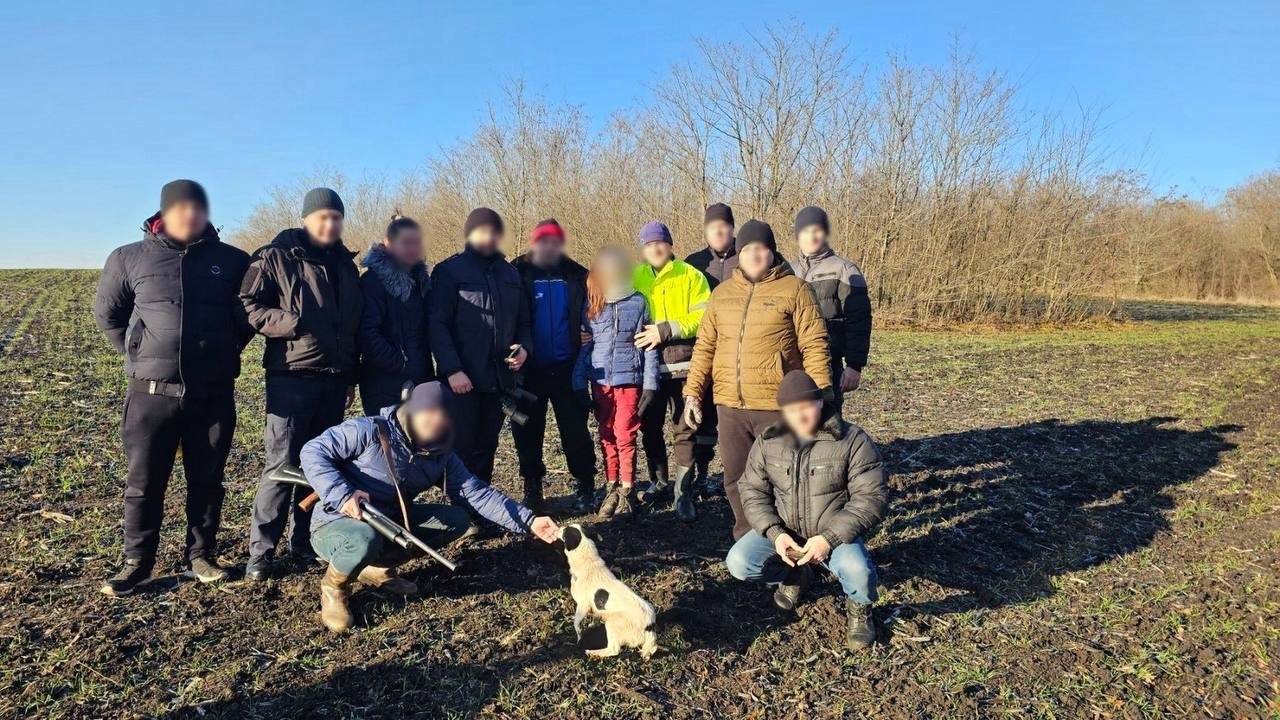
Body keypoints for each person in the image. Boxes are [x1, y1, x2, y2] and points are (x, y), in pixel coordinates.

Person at [93, 180, 251, 596]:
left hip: (212, 394)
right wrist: (139, 351)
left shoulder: (232, 260)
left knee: (208, 479)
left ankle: (201, 555)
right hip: (150, 395)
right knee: (144, 482)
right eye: (182, 209)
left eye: (198, 208)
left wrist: (225, 351)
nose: (191, 216)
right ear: (164, 213)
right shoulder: (129, 258)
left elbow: (245, 318)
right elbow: (108, 316)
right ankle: (136, 562)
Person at [300, 381, 560, 633]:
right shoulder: (366, 431)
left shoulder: (440, 454)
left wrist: (529, 521)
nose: (433, 426)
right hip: (334, 523)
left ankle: (371, 566)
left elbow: (477, 494)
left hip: (389, 522)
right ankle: (334, 587)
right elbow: (313, 451)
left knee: (455, 520)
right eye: (428, 416)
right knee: (362, 539)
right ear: (412, 410)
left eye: (441, 420)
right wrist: (341, 494)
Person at [240, 187, 362, 581]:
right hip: (291, 378)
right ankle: (262, 552)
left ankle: (304, 542)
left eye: (336, 217)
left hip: (334, 380)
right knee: (281, 466)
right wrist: (290, 324)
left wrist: (350, 378)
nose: (329, 223)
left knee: (320, 466)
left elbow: (352, 327)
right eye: (322, 216)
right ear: (307, 218)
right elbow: (247, 305)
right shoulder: (274, 256)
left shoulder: (346, 264)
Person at [682, 219, 832, 540]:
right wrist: (693, 392)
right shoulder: (722, 294)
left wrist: (821, 396)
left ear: (772, 251)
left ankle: (790, 542)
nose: (754, 255)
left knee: (782, 479)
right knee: (736, 478)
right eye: (747, 249)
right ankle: (749, 539)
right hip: (729, 405)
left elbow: (814, 344)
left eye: (761, 249)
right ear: (739, 254)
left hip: (777, 405)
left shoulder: (795, 290)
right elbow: (705, 346)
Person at [727, 370, 887, 650]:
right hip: (787, 532)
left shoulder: (852, 441)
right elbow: (751, 491)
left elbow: (871, 498)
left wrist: (828, 539)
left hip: (835, 535)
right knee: (740, 562)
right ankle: (796, 574)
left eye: (806, 408)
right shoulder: (768, 442)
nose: (799, 417)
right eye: (791, 410)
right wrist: (776, 534)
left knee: (858, 571)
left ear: (821, 404)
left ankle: (859, 607)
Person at [429, 207, 531, 488]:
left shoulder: (510, 274)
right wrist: (452, 369)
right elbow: (437, 325)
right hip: (462, 381)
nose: (488, 238)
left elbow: (524, 322)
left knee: (487, 446)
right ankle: (462, 510)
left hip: (499, 380)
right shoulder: (449, 271)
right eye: (481, 231)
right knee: (461, 449)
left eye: (493, 232)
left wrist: (524, 350)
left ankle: (483, 505)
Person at [510, 219, 596, 513]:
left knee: (575, 432)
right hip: (527, 370)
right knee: (527, 432)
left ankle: (585, 484)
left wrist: (587, 332)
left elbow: (596, 310)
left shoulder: (577, 274)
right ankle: (532, 487)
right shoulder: (516, 272)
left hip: (567, 369)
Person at [632, 221, 712, 521]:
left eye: (660, 242)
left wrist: (666, 330)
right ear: (643, 248)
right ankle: (659, 482)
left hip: (683, 366)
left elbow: (704, 316)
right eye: (649, 243)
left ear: (670, 245)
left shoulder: (691, 275)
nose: (655, 248)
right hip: (646, 370)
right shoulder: (634, 276)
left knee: (684, 428)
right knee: (648, 428)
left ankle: (683, 491)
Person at [573, 246, 659, 519]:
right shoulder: (592, 303)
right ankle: (611, 486)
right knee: (607, 435)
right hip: (601, 382)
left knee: (625, 434)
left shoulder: (639, 302)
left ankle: (627, 489)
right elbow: (586, 345)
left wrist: (650, 384)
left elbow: (649, 348)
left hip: (629, 380)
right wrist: (578, 382)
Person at [790, 206, 872, 412]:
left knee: (827, 416)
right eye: (806, 231)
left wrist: (854, 365)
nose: (811, 236)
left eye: (817, 230)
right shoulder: (788, 271)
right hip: (793, 361)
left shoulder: (845, 270)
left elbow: (859, 320)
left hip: (828, 361)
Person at [357, 213, 434, 416]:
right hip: (384, 384)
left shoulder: (422, 283)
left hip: (421, 379)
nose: (412, 249)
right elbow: (367, 334)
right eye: (405, 243)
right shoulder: (373, 281)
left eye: (416, 243)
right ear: (387, 243)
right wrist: (402, 364)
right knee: (387, 444)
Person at [684, 202, 737, 289]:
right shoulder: (692, 263)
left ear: (732, 228)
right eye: (712, 227)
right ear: (706, 232)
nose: (717, 232)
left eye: (722, 226)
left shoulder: (746, 259)